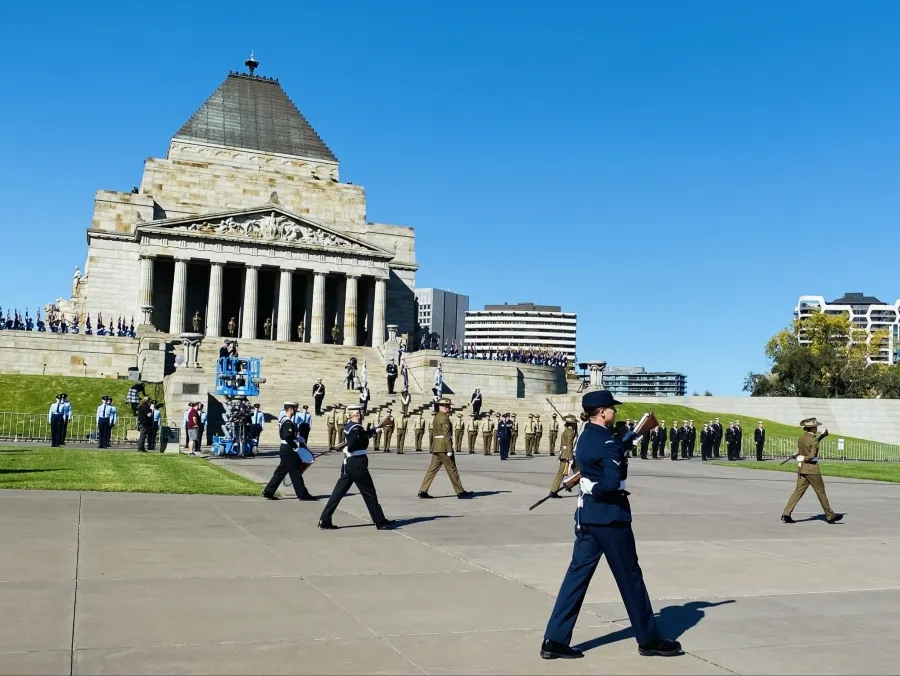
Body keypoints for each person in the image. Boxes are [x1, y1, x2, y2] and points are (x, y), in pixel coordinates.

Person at [540, 390, 682, 660]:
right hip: (611, 519)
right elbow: (611, 483)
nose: (614, 412)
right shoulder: (607, 442)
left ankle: (555, 639)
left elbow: (592, 467)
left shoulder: (585, 437)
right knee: (630, 578)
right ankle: (649, 639)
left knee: (576, 578)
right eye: (612, 409)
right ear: (603, 412)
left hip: (586, 519)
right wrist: (604, 480)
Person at [318, 405, 393, 530]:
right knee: (369, 493)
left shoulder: (350, 426)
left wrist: (373, 431)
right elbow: (353, 444)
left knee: (337, 493)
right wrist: (346, 447)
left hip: (349, 465)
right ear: (356, 415)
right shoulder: (356, 428)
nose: (361, 414)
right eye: (359, 413)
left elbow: (360, 437)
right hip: (357, 464)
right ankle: (380, 522)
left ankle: (324, 519)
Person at [781, 418, 843, 524]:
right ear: (813, 428)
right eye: (816, 427)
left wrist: (799, 456)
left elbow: (802, 451)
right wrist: (803, 458)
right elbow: (812, 455)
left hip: (802, 469)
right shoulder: (813, 440)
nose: (817, 428)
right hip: (812, 469)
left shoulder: (801, 438)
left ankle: (786, 513)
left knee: (797, 492)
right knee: (821, 493)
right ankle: (830, 515)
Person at [263, 402, 317, 501]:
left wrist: (297, 438)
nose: (296, 411)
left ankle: (268, 491)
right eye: (295, 409)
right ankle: (302, 494)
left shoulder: (284, 420)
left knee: (281, 471)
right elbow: (287, 437)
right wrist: (295, 447)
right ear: (291, 409)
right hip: (289, 449)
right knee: (295, 472)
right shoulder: (288, 422)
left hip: (284, 448)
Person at [549, 414, 578, 496]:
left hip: (563, 454)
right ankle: (554, 490)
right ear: (573, 424)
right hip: (567, 455)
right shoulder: (571, 432)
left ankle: (553, 490)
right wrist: (571, 457)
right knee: (579, 473)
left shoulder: (566, 431)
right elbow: (569, 445)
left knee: (575, 472)